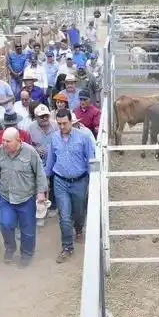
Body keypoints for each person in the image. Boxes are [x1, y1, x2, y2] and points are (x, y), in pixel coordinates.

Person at [44, 109, 95, 263]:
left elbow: (90, 159)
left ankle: (79, 228)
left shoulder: (83, 138)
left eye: (64, 123)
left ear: (71, 121)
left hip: (79, 180)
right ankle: (67, 247)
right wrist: (46, 178)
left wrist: (92, 180)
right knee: (64, 216)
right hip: (60, 181)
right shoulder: (54, 138)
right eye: (58, 123)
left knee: (79, 210)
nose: (61, 126)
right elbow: (51, 159)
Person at [0, 127, 48, 267]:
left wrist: (41, 192)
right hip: (6, 197)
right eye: (3, 141)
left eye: (8, 141)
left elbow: (40, 173)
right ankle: (10, 248)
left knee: (28, 230)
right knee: (5, 224)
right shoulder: (0, 152)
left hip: (26, 198)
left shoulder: (30, 152)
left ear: (18, 140)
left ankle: (26, 254)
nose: (4, 144)